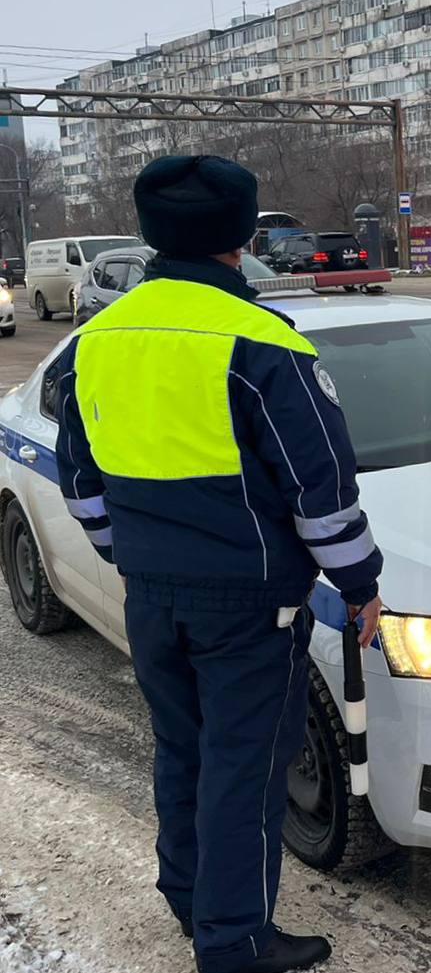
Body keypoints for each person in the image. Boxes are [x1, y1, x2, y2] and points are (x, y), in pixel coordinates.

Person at [54, 155, 383, 973]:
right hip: (248, 604)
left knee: (183, 750)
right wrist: (360, 584)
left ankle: (190, 897)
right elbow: (321, 493)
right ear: (241, 237)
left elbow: (81, 480)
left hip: (150, 594)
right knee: (244, 768)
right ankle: (234, 941)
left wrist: (127, 554)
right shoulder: (262, 341)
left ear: (151, 233)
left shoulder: (95, 339)